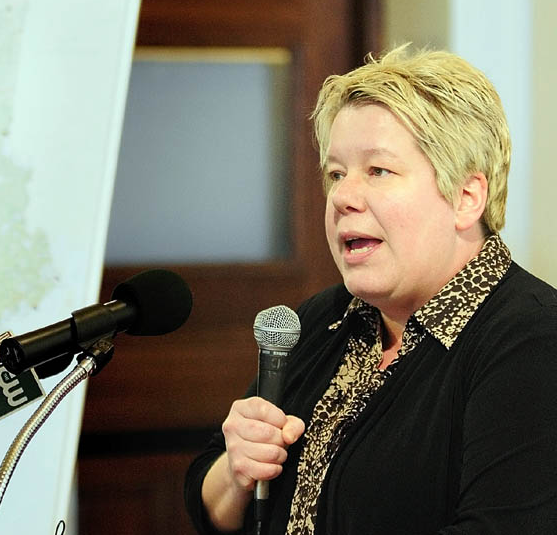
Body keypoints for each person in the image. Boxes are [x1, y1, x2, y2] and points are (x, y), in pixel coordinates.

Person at [184, 44, 557, 535]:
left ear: (467, 198)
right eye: (336, 174)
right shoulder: (324, 319)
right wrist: (236, 471)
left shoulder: (532, 339)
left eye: (378, 171)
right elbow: (206, 502)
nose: (342, 197)